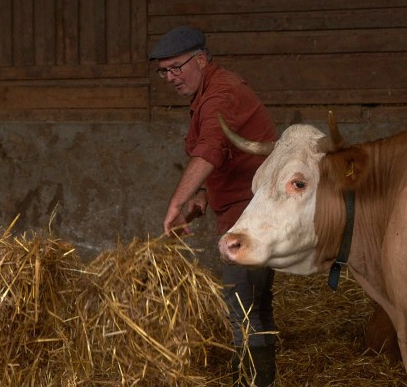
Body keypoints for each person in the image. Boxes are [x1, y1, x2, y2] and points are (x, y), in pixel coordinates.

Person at [151, 26, 280, 387]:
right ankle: (263, 381)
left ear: (202, 59)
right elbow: (229, 157)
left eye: (177, 67)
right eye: (164, 71)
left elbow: (209, 148)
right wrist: (203, 196)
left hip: (252, 216)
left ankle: (251, 382)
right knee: (254, 304)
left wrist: (176, 203)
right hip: (250, 209)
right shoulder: (212, 92)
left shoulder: (220, 94)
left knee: (241, 306)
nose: (170, 78)